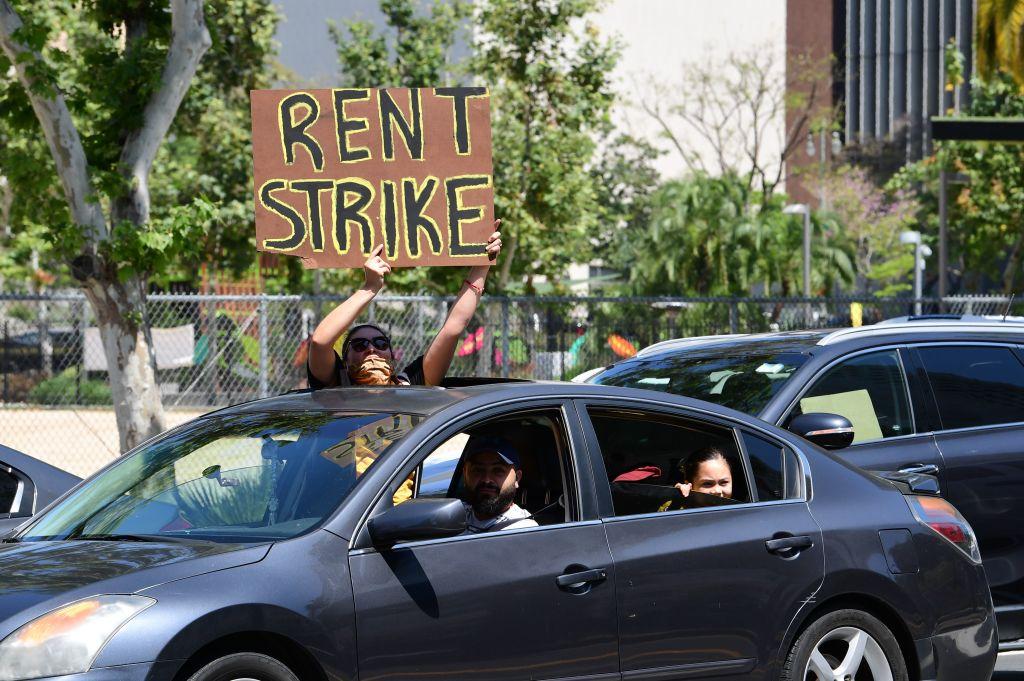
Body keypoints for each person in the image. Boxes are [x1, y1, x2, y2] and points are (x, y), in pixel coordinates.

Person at [307, 221, 502, 388]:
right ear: (345, 360)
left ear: (391, 355)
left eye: (380, 343)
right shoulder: (337, 384)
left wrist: (483, 263)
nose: (371, 349)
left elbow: (453, 328)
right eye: (359, 345)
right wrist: (370, 287)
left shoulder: (410, 386)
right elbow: (319, 342)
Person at [459, 437, 538, 534]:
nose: (486, 480)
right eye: (478, 470)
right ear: (465, 475)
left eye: (498, 470)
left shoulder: (523, 530)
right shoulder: (453, 516)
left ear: (517, 478)